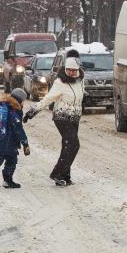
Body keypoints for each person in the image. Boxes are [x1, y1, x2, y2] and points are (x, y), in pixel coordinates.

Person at [24, 56, 84, 187]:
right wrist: (32, 111)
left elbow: (79, 94)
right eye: (68, 70)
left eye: (73, 70)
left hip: (74, 117)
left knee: (67, 145)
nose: (71, 73)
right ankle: (57, 173)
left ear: (78, 70)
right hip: (61, 117)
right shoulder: (60, 83)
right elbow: (48, 99)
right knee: (73, 144)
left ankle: (65, 176)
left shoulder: (80, 80)